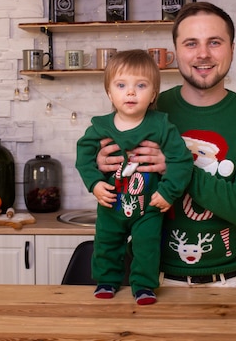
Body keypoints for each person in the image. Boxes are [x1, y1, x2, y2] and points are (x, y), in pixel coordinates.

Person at [97, 2, 236, 288]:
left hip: (230, 285)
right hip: (150, 281)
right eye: (191, 43)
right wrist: (104, 166)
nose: (203, 54)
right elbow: (117, 185)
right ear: (176, 51)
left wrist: (176, 166)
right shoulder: (147, 109)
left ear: (232, 48)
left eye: (214, 42)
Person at [75, 49, 193, 304]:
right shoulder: (99, 127)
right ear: (109, 93)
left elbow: (182, 161)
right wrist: (94, 184)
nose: (130, 92)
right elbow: (83, 158)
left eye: (141, 85)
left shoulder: (161, 126)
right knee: (106, 245)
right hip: (111, 205)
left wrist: (168, 191)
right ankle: (106, 282)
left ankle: (144, 286)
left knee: (147, 247)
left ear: (152, 95)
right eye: (121, 85)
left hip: (148, 205)